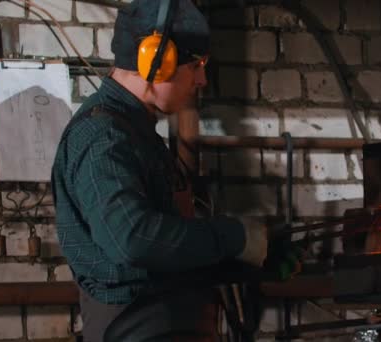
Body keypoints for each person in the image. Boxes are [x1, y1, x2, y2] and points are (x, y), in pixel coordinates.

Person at [51, 0, 268, 340]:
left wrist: (250, 257)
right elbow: (133, 239)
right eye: (195, 65)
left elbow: (167, 249)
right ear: (155, 62)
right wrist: (232, 237)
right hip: (139, 328)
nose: (202, 79)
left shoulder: (137, 134)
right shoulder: (102, 136)